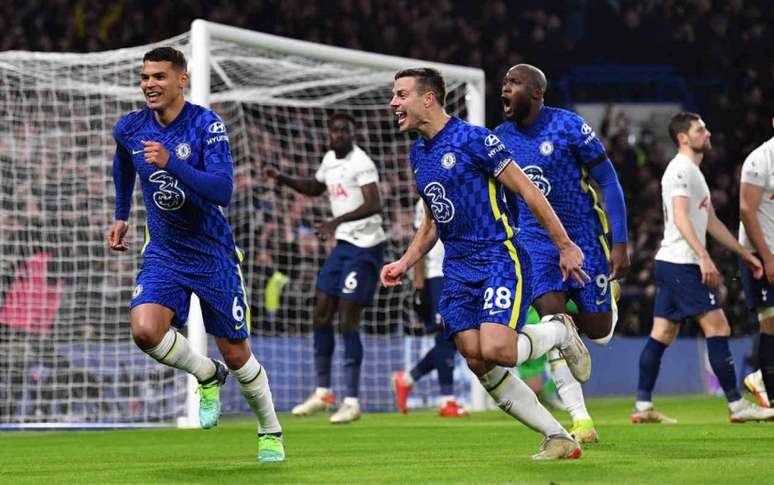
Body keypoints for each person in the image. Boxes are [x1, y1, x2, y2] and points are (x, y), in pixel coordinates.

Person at [384, 67, 591, 460]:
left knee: (499, 349)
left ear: (427, 98)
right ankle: (558, 436)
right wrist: (404, 260)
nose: (394, 103)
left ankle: (559, 331)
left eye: (400, 94)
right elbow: (432, 221)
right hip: (457, 270)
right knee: (476, 357)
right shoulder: (418, 154)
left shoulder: (475, 139)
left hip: (499, 256)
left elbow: (529, 191)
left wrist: (564, 245)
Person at [106, 47, 284, 461]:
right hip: (165, 251)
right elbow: (123, 162)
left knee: (237, 353)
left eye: (159, 77)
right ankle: (206, 373)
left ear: (181, 80)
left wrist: (171, 164)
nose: (150, 84)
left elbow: (222, 191)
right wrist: (120, 214)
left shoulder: (207, 125)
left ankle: (270, 431)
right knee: (145, 331)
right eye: (145, 77)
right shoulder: (130, 127)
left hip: (213, 255)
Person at [495, 64, 629, 443]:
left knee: (599, 333)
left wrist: (620, 241)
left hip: (585, 238)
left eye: (514, 83)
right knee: (556, 323)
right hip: (535, 243)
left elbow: (609, 181)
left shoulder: (569, 127)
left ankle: (610, 302)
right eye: (504, 82)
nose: (505, 88)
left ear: (536, 92)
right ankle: (580, 419)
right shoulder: (500, 139)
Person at [631, 112, 774, 423]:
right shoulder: (682, 170)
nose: (707, 133)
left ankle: (643, 407)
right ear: (684, 137)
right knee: (718, 326)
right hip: (683, 262)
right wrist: (704, 257)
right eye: (700, 129)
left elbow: (711, 222)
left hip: (671, 261)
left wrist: (744, 254)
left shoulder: (693, 172)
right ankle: (737, 406)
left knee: (663, 332)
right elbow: (682, 218)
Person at [264, 113, 385, 424]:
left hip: (366, 246)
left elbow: (374, 204)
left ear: (353, 133)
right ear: (330, 134)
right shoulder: (329, 159)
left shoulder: (362, 162)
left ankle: (353, 400)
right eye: (335, 130)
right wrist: (283, 178)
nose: (339, 134)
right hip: (343, 246)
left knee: (347, 319)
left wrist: (336, 222)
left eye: (345, 129)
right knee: (320, 311)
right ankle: (323, 392)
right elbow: (316, 188)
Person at [392, 199, 469, 418]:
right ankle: (447, 400)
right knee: (445, 337)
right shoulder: (428, 196)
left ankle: (407, 379)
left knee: (456, 339)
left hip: (461, 272)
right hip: (437, 275)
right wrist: (419, 286)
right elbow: (420, 238)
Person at [738, 117, 774, 408]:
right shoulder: (760, 160)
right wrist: (766, 257)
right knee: (770, 321)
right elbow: (747, 211)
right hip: (761, 257)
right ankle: (769, 389)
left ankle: (762, 378)